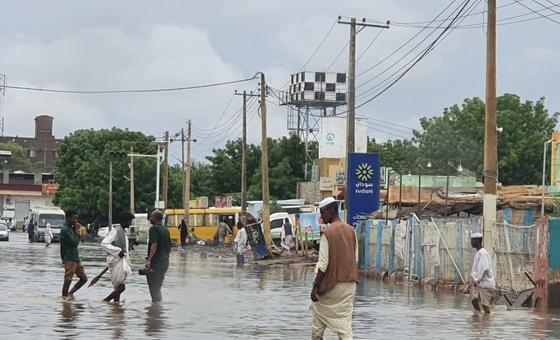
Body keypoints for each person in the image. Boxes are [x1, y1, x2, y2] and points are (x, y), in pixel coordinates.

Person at [310, 197, 359, 340]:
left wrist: (315, 287)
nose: (321, 217)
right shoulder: (351, 231)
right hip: (349, 285)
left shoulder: (327, 234)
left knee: (318, 324)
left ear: (331, 211)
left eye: (323, 213)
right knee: (344, 327)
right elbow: (355, 259)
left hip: (332, 287)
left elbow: (323, 265)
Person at [101, 211, 133, 302]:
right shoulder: (115, 231)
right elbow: (104, 244)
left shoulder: (123, 232)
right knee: (121, 287)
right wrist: (118, 251)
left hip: (122, 261)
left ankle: (116, 307)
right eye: (129, 221)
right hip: (116, 261)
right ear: (125, 221)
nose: (130, 223)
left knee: (118, 287)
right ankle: (105, 301)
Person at [60, 210, 88, 299]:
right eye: (74, 218)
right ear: (68, 218)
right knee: (68, 279)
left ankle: (70, 293)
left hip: (75, 257)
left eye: (77, 218)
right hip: (69, 258)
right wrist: (77, 231)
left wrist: (79, 232)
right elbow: (74, 242)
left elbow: (80, 239)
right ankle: (64, 298)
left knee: (83, 278)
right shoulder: (65, 230)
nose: (76, 220)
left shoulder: (71, 228)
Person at [145, 210, 171, 303]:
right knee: (158, 286)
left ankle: (154, 311)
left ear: (156, 218)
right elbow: (168, 248)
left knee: (153, 288)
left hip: (156, 263)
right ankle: (157, 309)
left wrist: (149, 260)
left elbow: (154, 245)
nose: (150, 218)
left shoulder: (154, 229)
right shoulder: (166, 230)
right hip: (165, 262)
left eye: (151, 217)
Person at [470, 232, 495, 314]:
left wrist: (476, 280)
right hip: (479, 283)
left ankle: (487, 321)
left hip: (484, 284)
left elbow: (482, 269)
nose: (471, 243)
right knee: (474, 301)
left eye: (472, 240)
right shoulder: (478, 253)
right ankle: (478, 319)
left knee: (485, 305)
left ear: (477, 241)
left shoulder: (483, 253)